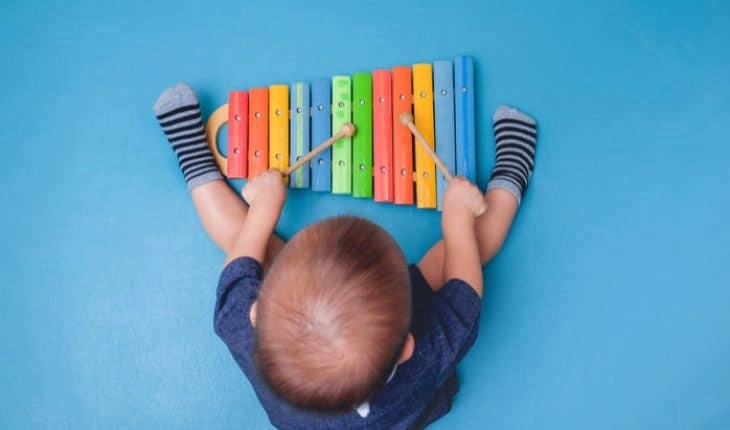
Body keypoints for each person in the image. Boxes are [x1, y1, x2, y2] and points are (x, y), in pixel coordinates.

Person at [154, 83, 537, 429]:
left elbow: (239, 266)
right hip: (407, 412)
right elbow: (465, 288)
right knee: (456, 252)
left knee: (250, 240)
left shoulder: (244, 329)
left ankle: (194, 158)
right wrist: (457, 219)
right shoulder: (429, 354)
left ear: (257, 312)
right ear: (406, 346)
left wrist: (262, 210)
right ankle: (511, 172)